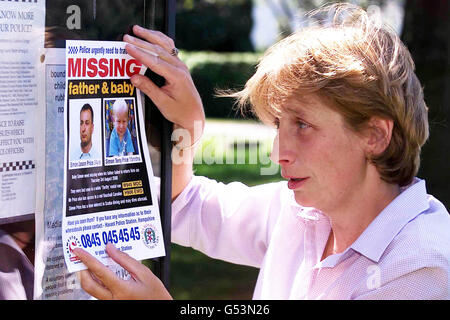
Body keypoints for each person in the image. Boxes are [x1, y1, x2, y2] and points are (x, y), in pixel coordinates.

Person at [73, 3, 450, 299]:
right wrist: (186, 128)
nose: (278, 153)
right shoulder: (303, 211)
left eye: (302, 125)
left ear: (375, 136)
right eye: (277, 126)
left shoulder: (421, 267)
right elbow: (183, 205)